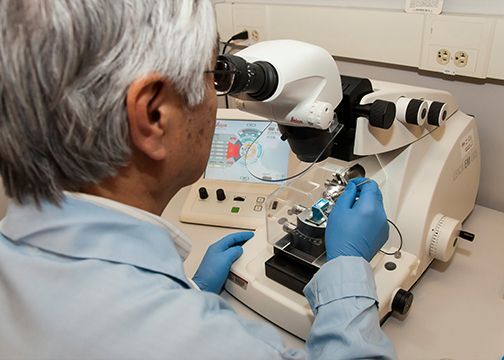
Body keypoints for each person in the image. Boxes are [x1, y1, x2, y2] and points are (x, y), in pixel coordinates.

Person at [0, 1, 396, 359]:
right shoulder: (200, 343)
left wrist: (192, 289)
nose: (218, 93)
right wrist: (347, 265)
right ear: (155, 115)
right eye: (216, 75)